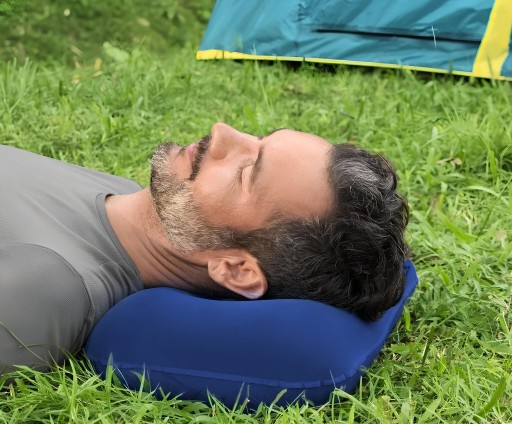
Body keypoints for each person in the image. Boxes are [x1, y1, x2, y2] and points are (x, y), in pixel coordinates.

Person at [0, 123, 409, 375]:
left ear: (236, 269)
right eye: (259, 139)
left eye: (246, 173)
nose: (222, 131)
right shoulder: (123, 194)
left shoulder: (44, 289)